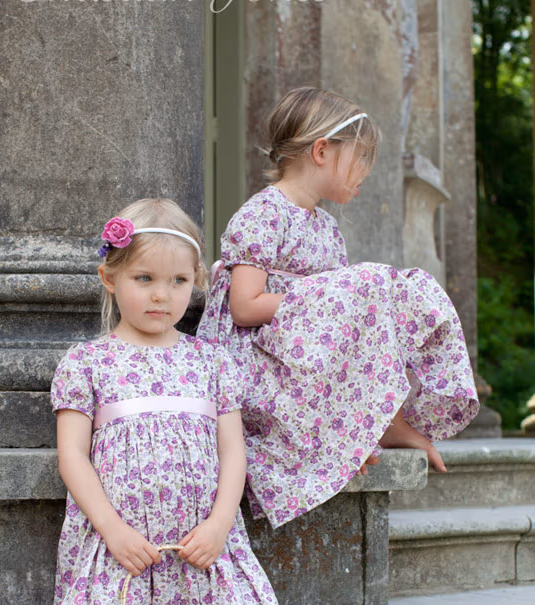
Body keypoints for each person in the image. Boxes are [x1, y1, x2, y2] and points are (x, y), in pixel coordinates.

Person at [45, 197, 315, 605]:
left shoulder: (211, 362)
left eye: (177, 282)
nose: (161, 295)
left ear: (197, 285)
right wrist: (112, 529)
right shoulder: (89, 363)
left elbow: (233, 455)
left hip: (197, 553)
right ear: (110, 278)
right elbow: (73, 457)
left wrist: (221, 524)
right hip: (119, 554)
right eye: (144, 279)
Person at [197, 87, 479, 528]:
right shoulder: (263, 214)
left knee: (395, 289)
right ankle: (372, 424)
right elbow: (244, 306)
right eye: (360, 156)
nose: (367, 169)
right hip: (256, 362)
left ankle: (377, 418)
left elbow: (344, 328)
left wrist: (342, 302)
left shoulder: (327, 228)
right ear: (322, 151)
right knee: (365, 286)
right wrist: (324, 301)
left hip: (301, 360)